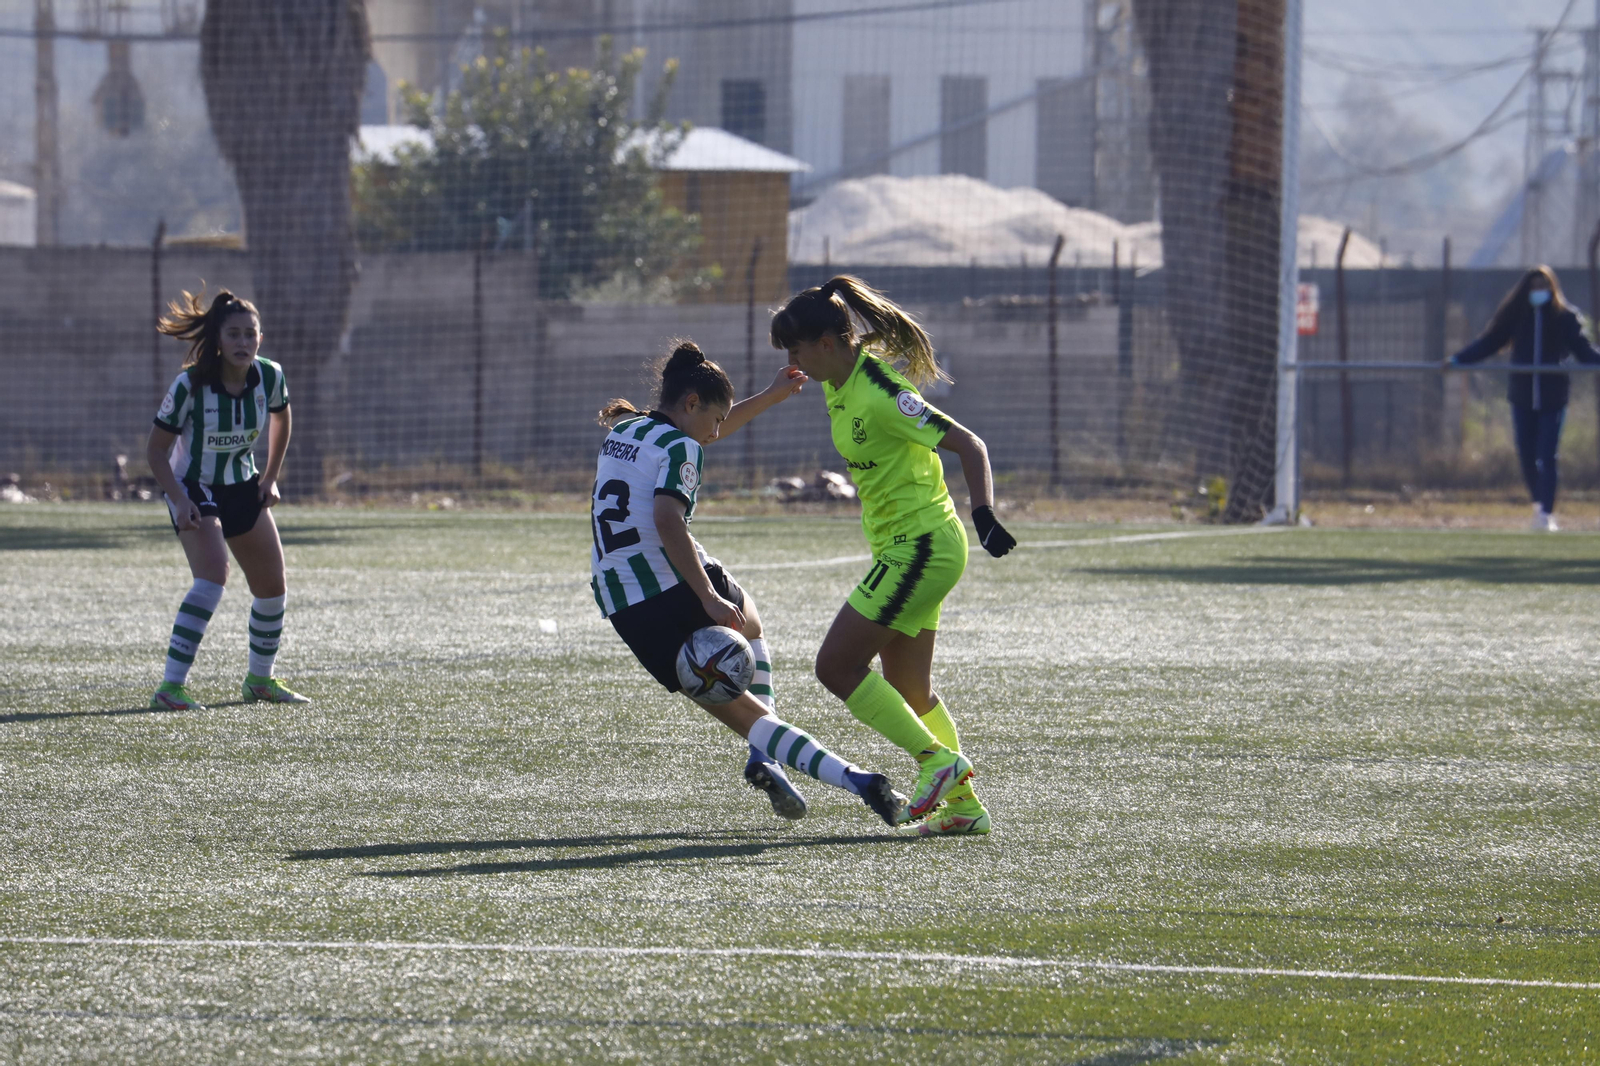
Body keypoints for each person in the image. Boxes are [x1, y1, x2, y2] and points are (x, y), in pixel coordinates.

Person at [592, 340, 908, 827]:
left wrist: (769, 395)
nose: (717, 432)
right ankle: (826, 773)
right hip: (669, 581)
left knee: (746, 716)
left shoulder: (629, 427)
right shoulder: (683, 446)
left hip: (623, 601)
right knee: (749, 624)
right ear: (692, 403)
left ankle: (817, 770)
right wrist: (708, 596)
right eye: (716, 419)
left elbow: (699, 436)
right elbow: (667, 519)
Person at [770, 275, 1016, 837]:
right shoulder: (838, 383)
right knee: (910, 689)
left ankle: (937, 762)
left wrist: (983, 514)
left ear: (828, 343)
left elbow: (968, 443)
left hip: (922, 546)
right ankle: (965, 807)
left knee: (835, 666)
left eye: (797, 348)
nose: (794, 359)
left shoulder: (878, 390)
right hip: (905, 547)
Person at [146, 290, 309, 711]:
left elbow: (282, 418)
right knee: (213, 577)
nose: (243, 342)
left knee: (272, 585)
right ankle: (170, 687)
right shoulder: (189, 385)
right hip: (194, 486)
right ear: (218, 339)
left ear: (260, 337)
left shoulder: (269, 376)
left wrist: (270, 477)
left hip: (243, 484)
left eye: (250, 334)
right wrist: (179, 500)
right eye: (233, 333)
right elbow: (155, 452)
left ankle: (260, 680)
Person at [1448, 265, 1600, 531]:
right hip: (1522, 396)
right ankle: (1538, 505)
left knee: (1547, 453)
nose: (1538, 291)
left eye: (1543, 286)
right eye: (1533, 286)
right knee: (1527, 454)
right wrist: (1458, 360)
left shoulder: (1565, 318)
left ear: (1552, 289)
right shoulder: (1516, 316)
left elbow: (1584, 352)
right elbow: (1489, 342)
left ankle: (1546, 515)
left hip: (1553, 397)